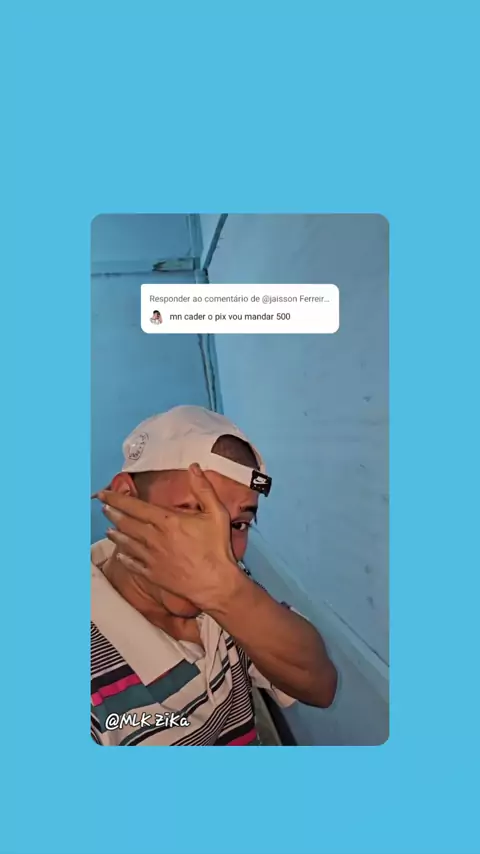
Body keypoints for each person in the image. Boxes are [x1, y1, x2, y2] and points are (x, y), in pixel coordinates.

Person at [91, 405, 337, 745]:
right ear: (125, 499)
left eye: (238, 524)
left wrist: (228, 595)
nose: (219, 550)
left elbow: (320, 685)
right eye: (195, 513)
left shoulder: (227, 584)